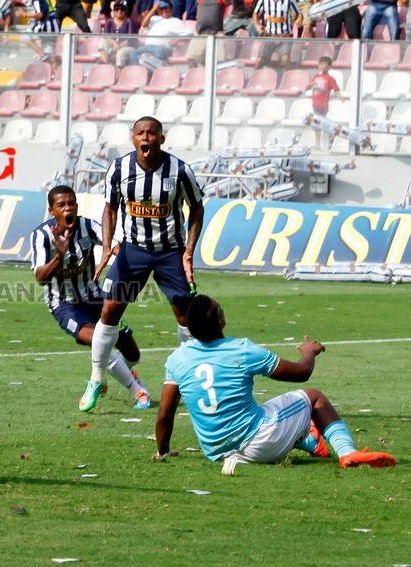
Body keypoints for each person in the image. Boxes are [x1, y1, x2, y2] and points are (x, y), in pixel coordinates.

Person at [154, 294, 397, 471]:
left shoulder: (178, 358)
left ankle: (308, 438)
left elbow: (165, 414)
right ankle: (347, 453)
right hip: (258, 444)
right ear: (220, 321)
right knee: (313, 396)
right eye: (220, 308)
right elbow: (301, 372)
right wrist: (309, 351)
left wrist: (162, 451)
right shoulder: (242, 350)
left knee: (268, 410)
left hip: (216, 453)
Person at [83, 116, 204, 412]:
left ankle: (187, 380)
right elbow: (110, 208)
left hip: (170, 252)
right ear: (133, 138)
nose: (146, 139)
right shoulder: (120, 169)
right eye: (141, 134)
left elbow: (197, 207)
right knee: (110, 309)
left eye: (152, 134)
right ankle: (97, 377)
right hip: (133, 250)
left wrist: (188, 251)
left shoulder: (180, 170)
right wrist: (107, 248)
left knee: (185, 314)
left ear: (162, 138)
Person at [31, 186, 152, 411]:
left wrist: (125, 261)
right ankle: (138, 391)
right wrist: (59, 256)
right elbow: (40, 276)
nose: (68, 208)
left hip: (95, 297)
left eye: (71, 203)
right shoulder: (41, 235)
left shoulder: (87, 226)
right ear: (51, 210)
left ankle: (112, 375)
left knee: (132, 354)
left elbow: (116, 247)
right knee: (99, 340)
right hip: (64, 305)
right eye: (61, 205)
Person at [128, 1, 191, 66]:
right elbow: (144, 24)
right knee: (132, 54)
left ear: (171, 10)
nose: (164, 10)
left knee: (157, 54)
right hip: (147, 47)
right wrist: (154, 8)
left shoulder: (175, 21)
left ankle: (159, 69)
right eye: (162, 9)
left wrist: (177, 39)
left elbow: (190, 33)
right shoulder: (154, 19)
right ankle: (140, 72)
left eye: (166, 8)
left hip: (162, 48)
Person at [252, 0, 301, 69]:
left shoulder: (290, 1)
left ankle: (289, 76)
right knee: (259, 60)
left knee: (285, 59)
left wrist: (297, 21)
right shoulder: (263, 1)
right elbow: (255, 14)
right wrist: (257, 25)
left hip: (284, 37)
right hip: (269, 36)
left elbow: (299, 14)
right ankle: (255, 77)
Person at [97, 1, 137, 67]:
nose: (119, 11)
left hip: (128, 47)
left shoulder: (129, 22)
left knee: (120, 53)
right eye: (117, 9)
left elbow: (130, 39)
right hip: (114, 46)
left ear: (125, 11)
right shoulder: (109, 21)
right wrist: (114, 44)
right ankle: (107, 65)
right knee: (102, 42)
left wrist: (118, 47)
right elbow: (107, 36)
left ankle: (118, 75)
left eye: (122, 9)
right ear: (113, 11)